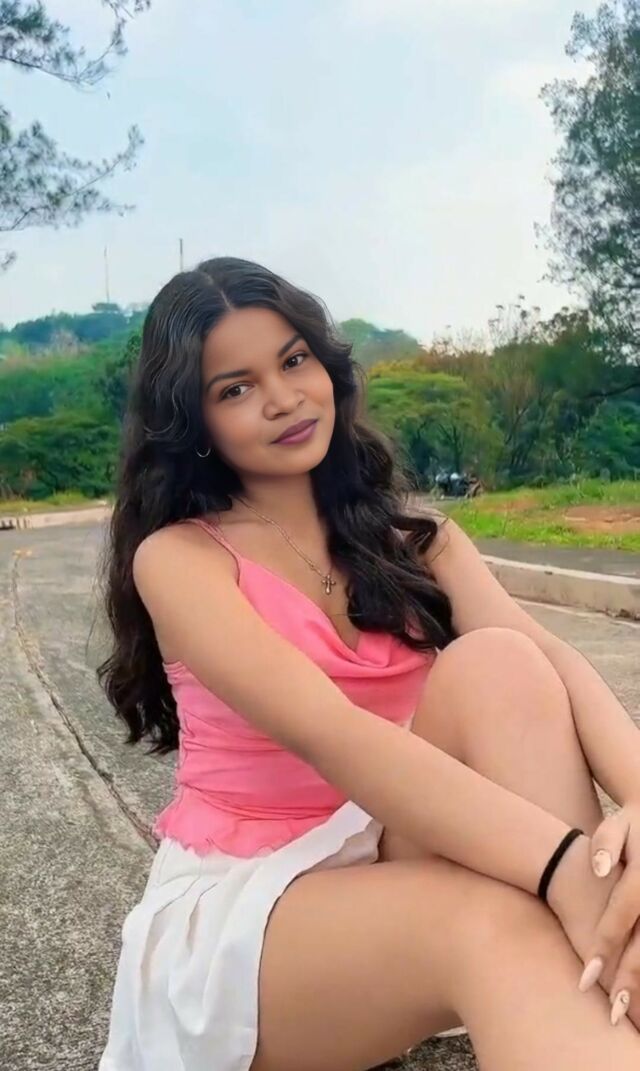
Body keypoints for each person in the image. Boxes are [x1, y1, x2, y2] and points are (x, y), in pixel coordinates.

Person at [96, 256, 640, 1071]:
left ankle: (600, 945)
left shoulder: (413, 540)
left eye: (293, 360)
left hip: (392, 842)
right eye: (235, 388)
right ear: (193, 421)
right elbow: (335, 734)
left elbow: (552, 659)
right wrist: (565, 865)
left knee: (502, 661)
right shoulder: (180, 561)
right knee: (497, 918)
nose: (282, 398)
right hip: (257, 910)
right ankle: (583, 934)